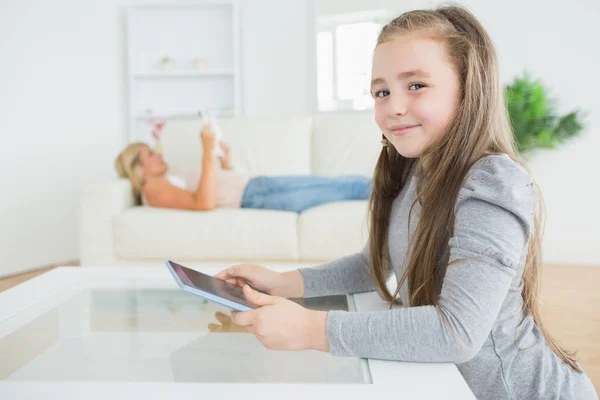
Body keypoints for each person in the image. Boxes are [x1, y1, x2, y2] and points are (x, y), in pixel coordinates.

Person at [210, 5, 598, 400]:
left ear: (468, 88)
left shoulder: (493, 182)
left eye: (415, 86)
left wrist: (312, 329)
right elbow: (374, 265)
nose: (393, 106)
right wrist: (283, 283)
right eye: (382, 91)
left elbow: (457, 332)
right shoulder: (410, 168)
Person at [114, 124, 372, 213]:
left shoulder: (169, 178)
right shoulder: (153, 189)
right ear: (138, 167)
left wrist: (224, 163)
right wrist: (206, 150)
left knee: (336, 183)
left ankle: (393, 184)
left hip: (256, 186)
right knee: (340, 188)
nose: (158, 155)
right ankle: (395, 186)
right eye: (150, 154)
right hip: (254, 196)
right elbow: (203, 203)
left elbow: (212, 186)